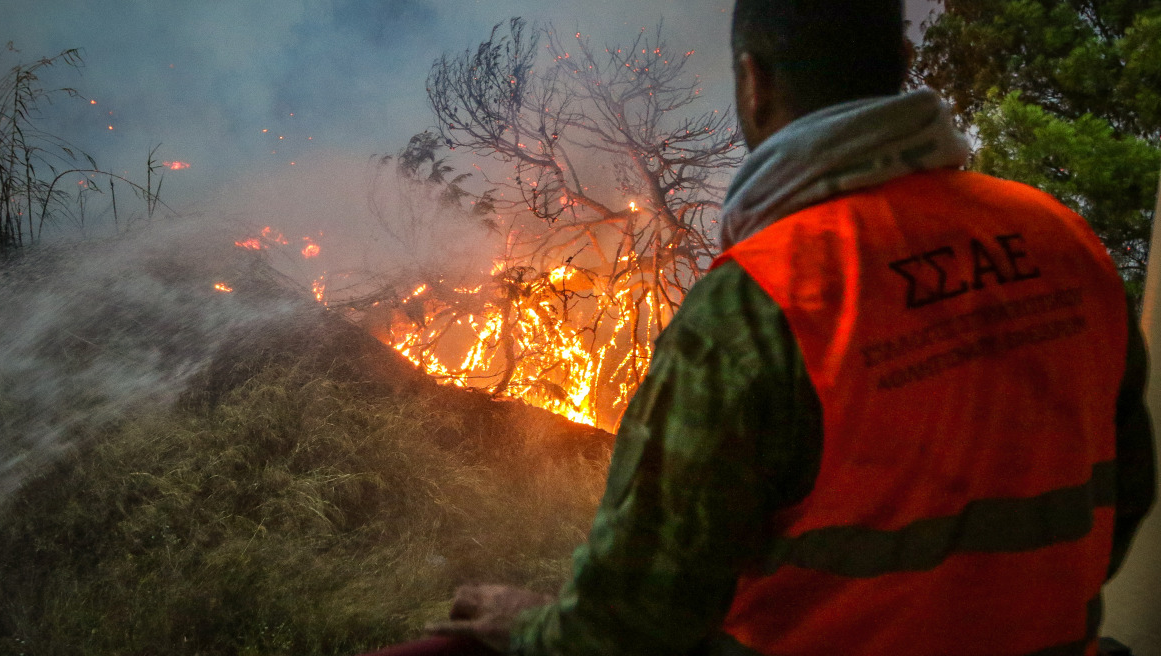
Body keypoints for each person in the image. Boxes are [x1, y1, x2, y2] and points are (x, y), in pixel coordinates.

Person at [420, 1, 1158, 655]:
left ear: (753, 80)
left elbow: (629, 624)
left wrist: (525, 626)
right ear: (903, 64)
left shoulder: (762, 302)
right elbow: (1130, 494)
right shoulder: (1064, 239)